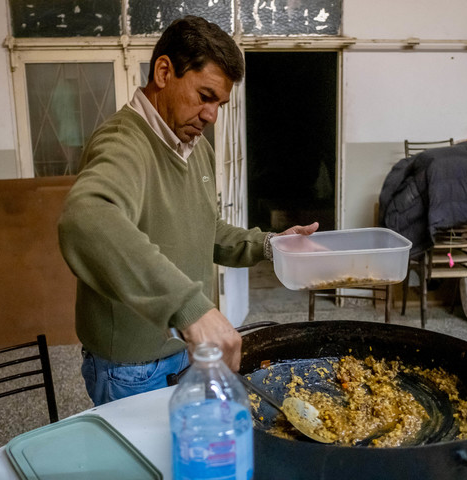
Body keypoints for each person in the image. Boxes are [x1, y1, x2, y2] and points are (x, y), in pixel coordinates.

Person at [58, 15, 318, 406]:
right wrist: (190, 308)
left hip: (184, 347)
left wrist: (269, 244)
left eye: (220, 103)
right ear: (164, 71)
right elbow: (86, 219)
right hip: (134, 367)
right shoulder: (124, 142)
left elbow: (206, 230)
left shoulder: (196, 150)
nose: (212, 115)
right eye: (205, 96)